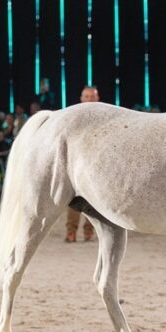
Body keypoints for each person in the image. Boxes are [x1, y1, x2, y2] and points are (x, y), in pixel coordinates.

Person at [65, 86, 100, 243]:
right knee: (75, 200)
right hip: (77, 164)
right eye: (86, 96)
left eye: (92, 96)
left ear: (97, 99)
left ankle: (89, 231)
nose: (89, 100)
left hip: (97, 164)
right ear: (81, 99)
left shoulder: (105, 117)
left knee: (95, 201)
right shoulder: (73, 118)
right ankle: (71, 231)